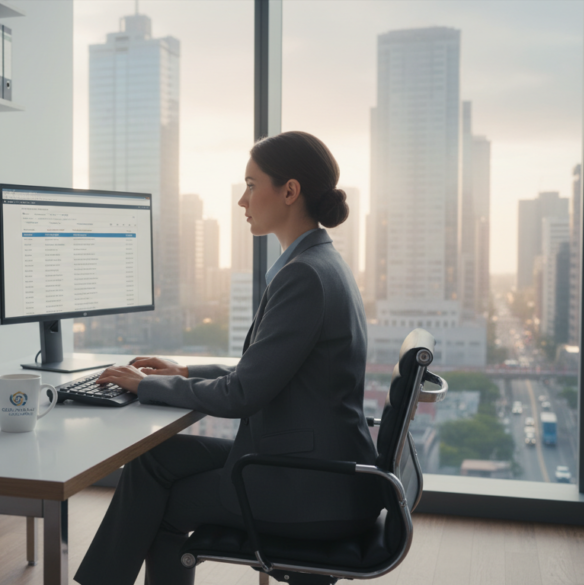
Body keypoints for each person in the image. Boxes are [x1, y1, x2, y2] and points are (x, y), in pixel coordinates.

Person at [74, 132, 383, 585]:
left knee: (162, 507)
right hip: (315, 468)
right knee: (153, 461)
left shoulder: (303, 277)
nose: (243, 200)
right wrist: (181, 371)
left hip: (307, 486)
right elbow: (262, 373)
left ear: (290, 191)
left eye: (253, 185)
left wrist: (145, 385)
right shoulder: (319, 264)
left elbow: (243, 394)